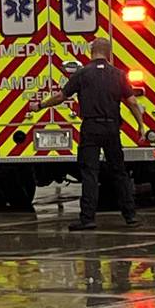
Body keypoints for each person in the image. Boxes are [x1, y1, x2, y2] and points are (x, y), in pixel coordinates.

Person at [32, 37, 141, 231]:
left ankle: (88, 218)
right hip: (111, 128)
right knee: (119, 172)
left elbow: (60, 96)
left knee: (90, 173)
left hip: (90, 128)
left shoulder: (82, 74)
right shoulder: (118, 75)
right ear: (109, 53)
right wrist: (140, 125)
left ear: (92, 52)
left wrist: (40, 105)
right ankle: (130, 216)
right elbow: (132, 102)